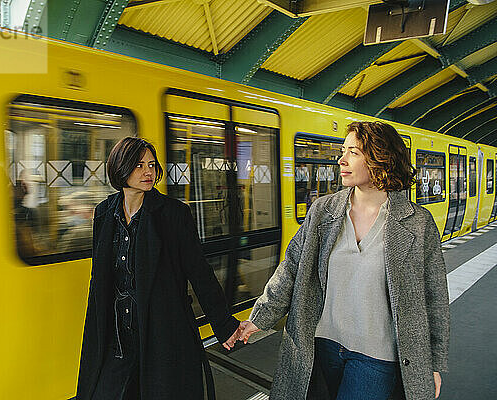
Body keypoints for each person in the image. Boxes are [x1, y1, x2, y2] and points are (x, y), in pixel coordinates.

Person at [238, 121, 449, 400]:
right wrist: (260, 317)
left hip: (377, 355)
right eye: (343, 150)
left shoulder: (417, 223)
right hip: (318, 346)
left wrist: (433, 363)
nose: (342, 159)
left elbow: (435, 297)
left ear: (380, 160)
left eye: (354, 152)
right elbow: (291, 268)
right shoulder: (324, 211)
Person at [76, 137, 242, 400]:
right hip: (117, 337)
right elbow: (99, 280)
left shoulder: (173, 214)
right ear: (121, 168)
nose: (148, 172)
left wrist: (224, 325)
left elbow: (200, 273)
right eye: (139, 165)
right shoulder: (104, 213)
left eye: (151, 165)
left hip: (162, 335)